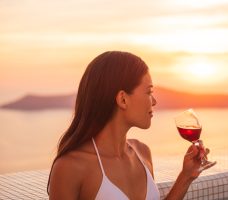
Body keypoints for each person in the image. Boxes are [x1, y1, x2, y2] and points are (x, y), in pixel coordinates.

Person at [48, 51, 216, 200]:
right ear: (123, 99)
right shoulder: (71, 167)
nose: (154, 101)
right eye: (149, 92)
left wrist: (186, 176)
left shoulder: (142, 153)